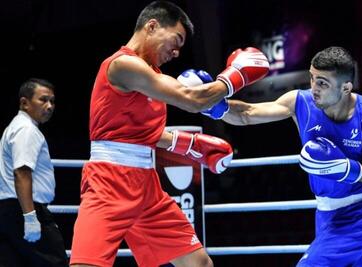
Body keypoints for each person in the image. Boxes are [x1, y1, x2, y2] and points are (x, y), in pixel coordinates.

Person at [69, 1, 269, 267]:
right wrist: (235, 77)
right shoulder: (123, 65)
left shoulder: (152, 76)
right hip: (109, 182)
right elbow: (191, 99)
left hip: (147, 185)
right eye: (176, 40)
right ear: (152, 26)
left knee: (199, 263)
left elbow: (141, 133)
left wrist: (187, 143)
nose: (176, 52)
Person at [205, 46, 362, 266]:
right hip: (324, 215)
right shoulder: (301, 103)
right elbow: (247, 114)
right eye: (312, 78)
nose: (314, 88)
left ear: (346, 87)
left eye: (323, 83)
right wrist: (211, 104)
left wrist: (346, 169)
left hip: (358, 216)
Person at [0, 78, 68, 267]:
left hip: (11, 210)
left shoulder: (16, 127)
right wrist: (30, 217)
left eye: (52, 101)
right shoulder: (26, 130)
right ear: (24, 103)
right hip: (25, 209)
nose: (49, 106)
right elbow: (22, 172)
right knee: (55, 262)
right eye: (43, 100)